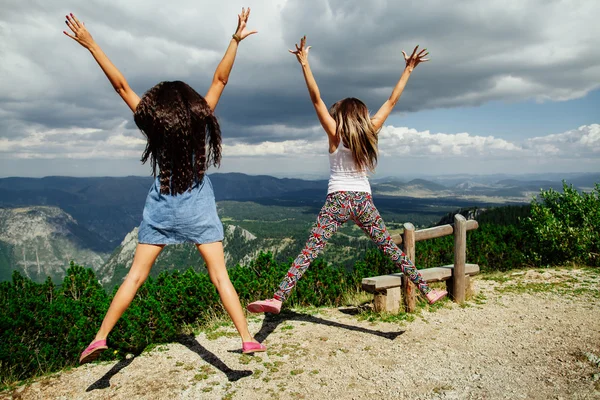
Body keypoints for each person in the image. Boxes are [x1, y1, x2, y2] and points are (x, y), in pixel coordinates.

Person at [63, 9, 266, 364]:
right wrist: (234, 41)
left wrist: (91, 44)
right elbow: (220, 81)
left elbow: (121, 86)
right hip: (198, 206)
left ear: (160, 113)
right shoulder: (201, 118)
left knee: (135, 277)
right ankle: (247, 338)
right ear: (191, 108)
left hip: (161, 205)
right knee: (220, 277)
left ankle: (100, 336)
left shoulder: (153, 124)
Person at [247, 36, 447, 314]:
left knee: (310, 250)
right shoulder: (370, 130)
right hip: (363, 200)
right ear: (362, 114)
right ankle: (426, 290)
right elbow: (392, 100)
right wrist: (409, 69)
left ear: (341, 114)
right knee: (390, 248)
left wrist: (304, 63)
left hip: (337, 199)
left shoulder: (334, 132)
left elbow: (315, 98)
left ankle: (278, 297)